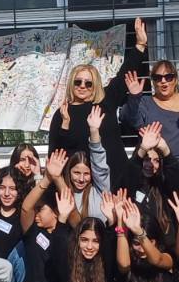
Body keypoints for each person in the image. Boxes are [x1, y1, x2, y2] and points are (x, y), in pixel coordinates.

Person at [47, 17, 146, 181]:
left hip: (117, 179)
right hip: (82, 185)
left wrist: (140, 45)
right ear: (71, 83)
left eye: (88, 83)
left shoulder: (105, 102)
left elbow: (124, 75)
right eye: (78, 82)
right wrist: (65, 125)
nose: (82, 86)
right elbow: (56, 154)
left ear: (95, 85)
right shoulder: (63, 113)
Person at [122, 43, 179, 162]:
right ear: (153, 81)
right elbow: (131, 119)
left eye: (168, 77)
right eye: (158, 78)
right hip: (156, 166)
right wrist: (134, 97)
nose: (163, 81)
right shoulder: (146, 103)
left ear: (176, 80)